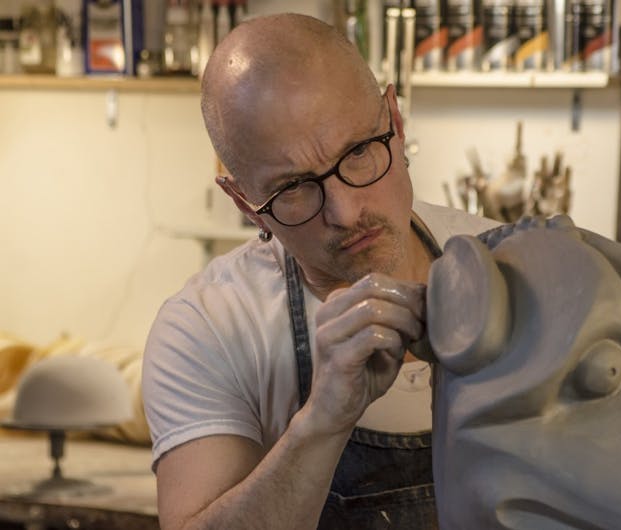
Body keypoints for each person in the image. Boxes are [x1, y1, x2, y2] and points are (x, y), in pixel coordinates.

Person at [142, 13, 498, 530]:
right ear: (245, 202)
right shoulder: (206, 328)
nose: (346, 212)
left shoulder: (508, 265)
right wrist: (324, 418)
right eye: (294, 189)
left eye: (357, 153)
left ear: (395, 122)